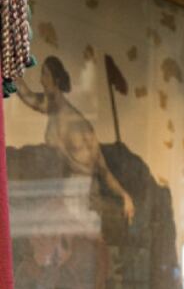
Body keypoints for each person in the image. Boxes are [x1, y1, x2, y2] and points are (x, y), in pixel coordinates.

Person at [16, 55, 135, 224]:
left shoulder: (76, 123)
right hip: (63, 192)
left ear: (55, 80)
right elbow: (27, 95)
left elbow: (101, 169)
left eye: (45, 75)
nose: (41, 81)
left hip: (80, 198)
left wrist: (124, 195)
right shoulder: (52, 107)